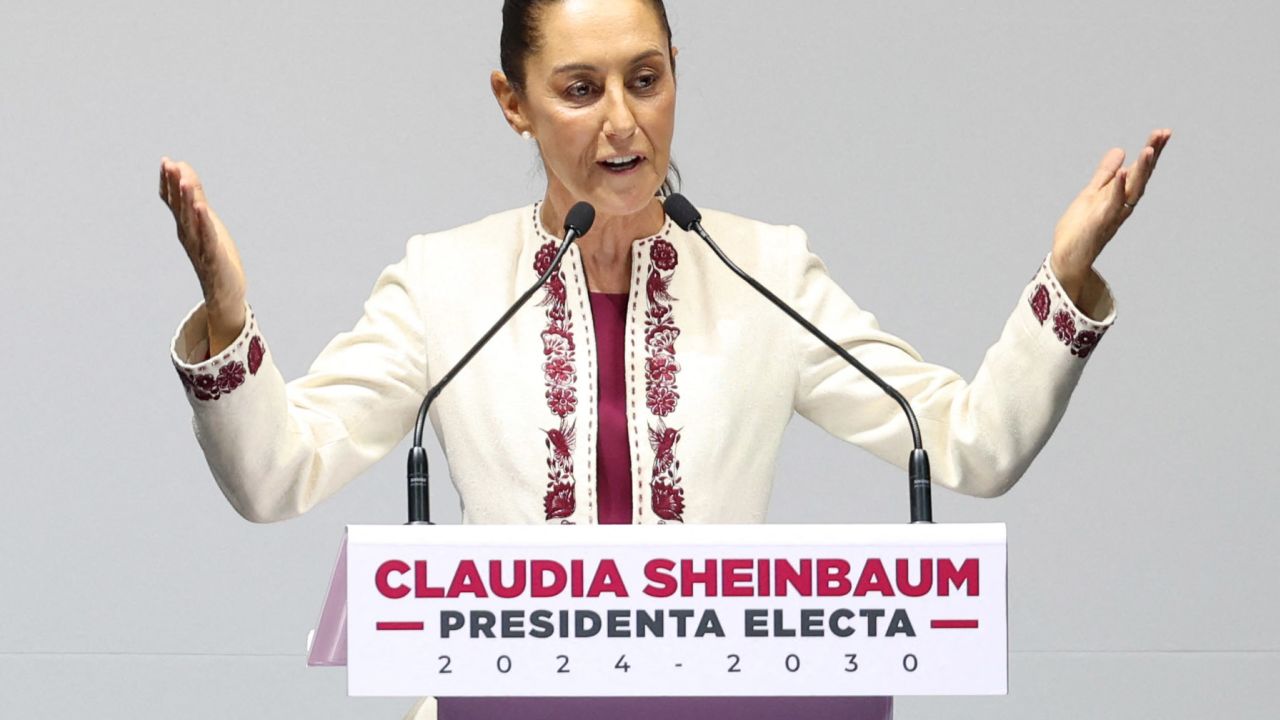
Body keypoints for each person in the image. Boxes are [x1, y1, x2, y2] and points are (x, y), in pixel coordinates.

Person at [160, 1, 1170, 717]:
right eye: (577, 88)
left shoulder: (763, 269)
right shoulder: (445, 282)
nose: (621, 120)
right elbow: (274, 474)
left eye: (646, 79)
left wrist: (1064, 279)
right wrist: (226, 314)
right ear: (511, 102)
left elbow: (969, 445)